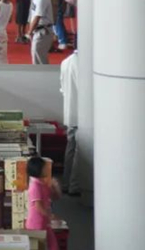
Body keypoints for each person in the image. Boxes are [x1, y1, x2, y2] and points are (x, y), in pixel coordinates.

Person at [25, 156, 60, 250]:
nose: (47, 170)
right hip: (36, 223)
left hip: (44, 221)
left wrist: (55, 187)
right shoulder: (35, 186)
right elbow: (38, 206)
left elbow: (55, 197)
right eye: (45, 168)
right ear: (38, 170)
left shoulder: (42, 184)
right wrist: (50, 216)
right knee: (41, 246)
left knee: (52, 245)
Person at [60, 52, 79, 195]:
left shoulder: (66, 61)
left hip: (70, 112)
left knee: (70, 149)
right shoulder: (84, 64)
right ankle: (74, 186)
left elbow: (62, 88)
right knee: (80, 151)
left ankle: (66, 183)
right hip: (82, 114)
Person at [27, 0, 55, 64]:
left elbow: (37, 16)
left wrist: (29, 32)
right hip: (39, 31)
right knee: (38, 58)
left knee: (39, 60)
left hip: (42, 31)